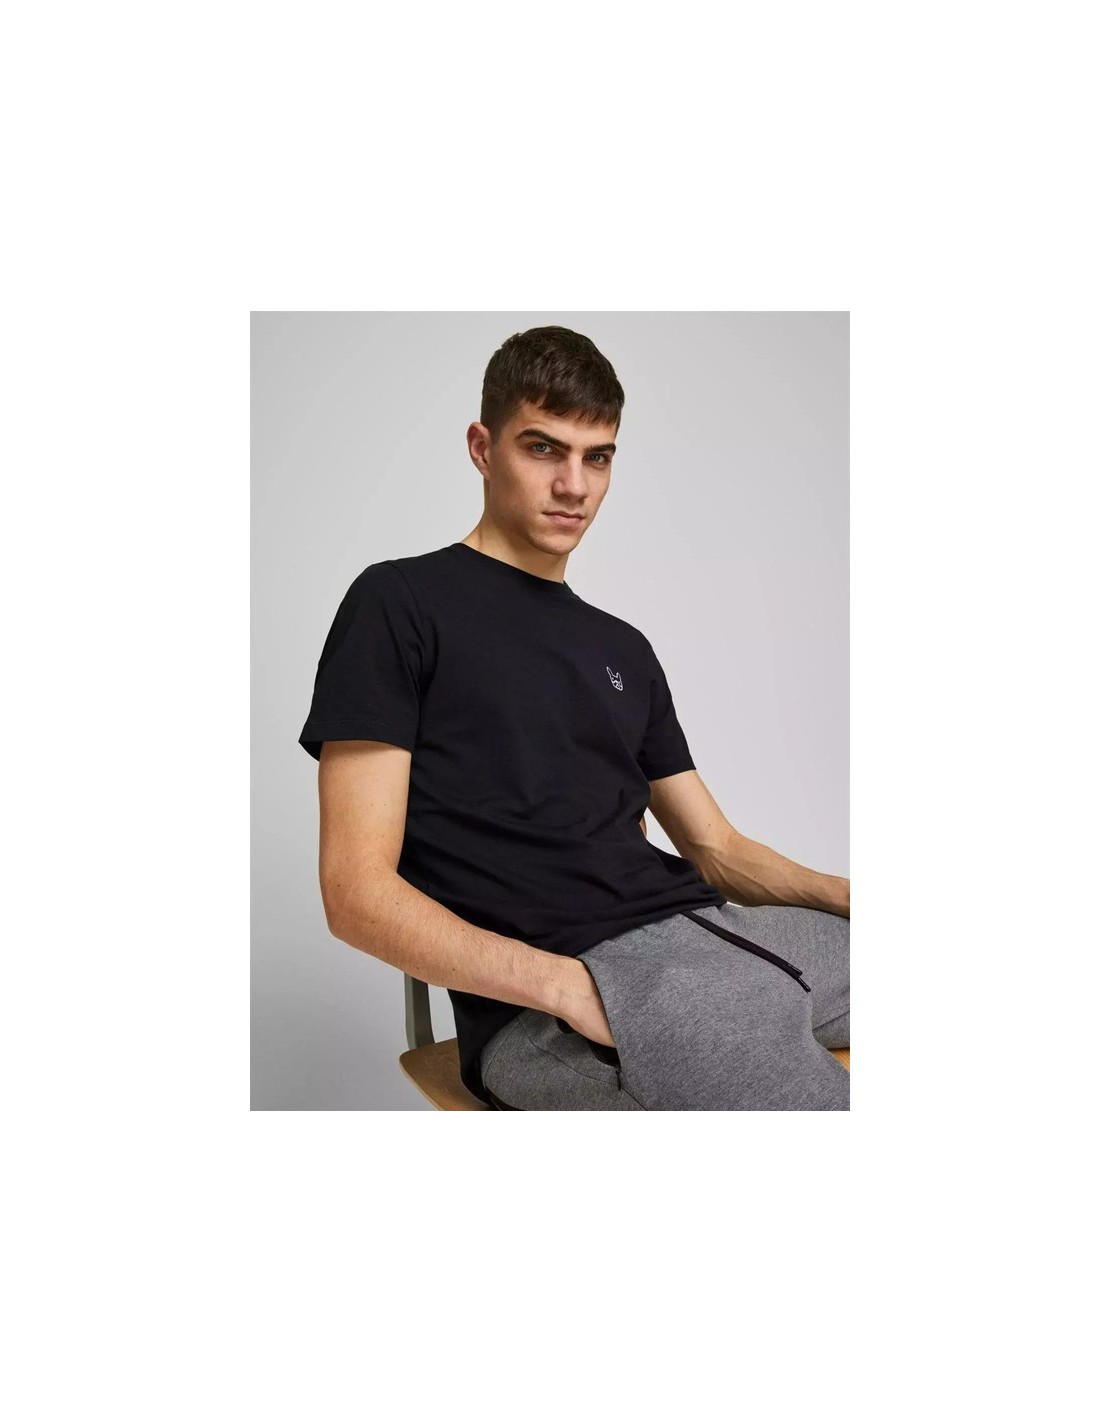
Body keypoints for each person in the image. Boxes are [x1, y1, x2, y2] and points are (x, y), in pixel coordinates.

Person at [298, 325, 850, 1110]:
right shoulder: (400, 605)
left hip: (708, 932)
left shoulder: (622, 646)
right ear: (483, 448)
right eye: (543, 449)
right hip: (554, 990)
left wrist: (847, 894)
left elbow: (716, 848)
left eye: (598, 457)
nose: (574, 485)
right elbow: (354, 891)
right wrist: (569, 989)